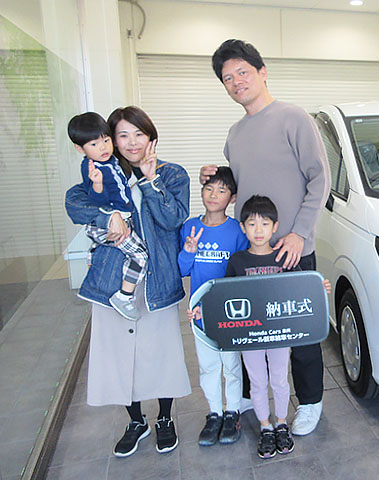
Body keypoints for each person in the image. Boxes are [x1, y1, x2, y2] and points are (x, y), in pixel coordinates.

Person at [201, 38, 331, 436]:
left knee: (300, 334)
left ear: (262, 72)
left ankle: (309, 402)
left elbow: (320, 179)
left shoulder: (294, 118)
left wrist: (299, 234)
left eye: (242, 72)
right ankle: (249, 397)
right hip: (251, 252)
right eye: (228, 78)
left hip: (291, 250)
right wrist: (216, 176)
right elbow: (244, 183)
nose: (236, 81)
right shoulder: (235, 133)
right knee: (249, 327)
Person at [65, 106, 191, 457]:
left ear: (151, 137)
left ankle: (164, 418)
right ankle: (136, 421)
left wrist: (150, 182)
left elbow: (173, 219)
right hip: (112, 281)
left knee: (161, 354)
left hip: (156, 281)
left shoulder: (172, 174)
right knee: (121, 357)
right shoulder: (103, 173)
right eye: (122, 135)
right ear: (112, 140)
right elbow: (74, 202)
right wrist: (109, 215)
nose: (132, 142)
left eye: (139, 134)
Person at [198, 195, 330, 458]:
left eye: (265, 224)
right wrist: (205, 309)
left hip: (279, 336)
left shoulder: (284, 258)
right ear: (243, 227)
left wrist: (319, 288)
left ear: (275, 227)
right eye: (251, 224)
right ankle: (265, 427)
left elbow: (301, 287)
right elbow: (226, 295)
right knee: (257, 382)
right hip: (250, 338)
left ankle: (281, 423)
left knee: (279, 380)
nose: (258, 230)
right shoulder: (237, 261)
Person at [178, 166, 252, 446]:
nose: (213, 195)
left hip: (229, 312)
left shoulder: (237, 231)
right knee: (208, 366)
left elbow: (242, 271)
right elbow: (182, 269)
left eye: (221, 190)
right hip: (200, 313)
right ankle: (214, 414)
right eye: (209, 188)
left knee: (231, 365)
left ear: (232, 199)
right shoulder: (189, 227)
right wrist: (189, 251)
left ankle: (232, 412)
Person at [67, 112, 148, 321]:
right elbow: (95, 200)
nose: (102, 147)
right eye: (94, 144)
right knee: (140, 256)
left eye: (105, 140)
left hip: (120, 219)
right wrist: (97, 185)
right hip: (107, 224)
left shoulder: (111, 161)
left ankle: (93, 257)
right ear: (80, 148)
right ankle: (124, 296)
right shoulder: (92, 168)